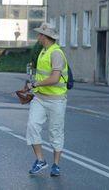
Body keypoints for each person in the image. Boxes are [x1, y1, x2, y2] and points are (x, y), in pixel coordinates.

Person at [25, 22, 68, 177]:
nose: (38, 36)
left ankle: (56, 164)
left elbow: (55, 78)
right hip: (40, 97)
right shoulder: (44, 51)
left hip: (56, 100)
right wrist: (33, 87)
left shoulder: (56, 53)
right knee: (32, 125)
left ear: (46, 36)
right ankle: (40, 160)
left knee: (55, 131)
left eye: (40, 34)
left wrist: (35, 84)